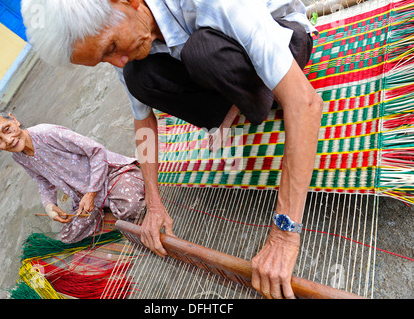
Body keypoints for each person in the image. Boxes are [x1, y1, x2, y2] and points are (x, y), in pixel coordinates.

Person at [21, 0, 324, 299]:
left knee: (203, 51)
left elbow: (306, 103)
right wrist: (154, 203)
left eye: (111, 47)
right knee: (139, 77)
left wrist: (284, 233)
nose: (117, 61)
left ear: (125, 2)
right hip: (220, 61)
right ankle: (237, 104)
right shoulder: (126, 40)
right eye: (104, 59)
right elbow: (143, 121)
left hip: (284, 37)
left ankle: (256, 99)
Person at [0, 107, 145, 244]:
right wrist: (49, 205)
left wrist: (91, 193)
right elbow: (42, 180)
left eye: (7, 129)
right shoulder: (19, 156)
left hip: (111, 175)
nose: (8, 140)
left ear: (14, 120)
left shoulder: (46, 133)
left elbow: (97, 152)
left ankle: (114, 199)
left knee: (133, 208)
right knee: (68, 236)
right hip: (83, 196)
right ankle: (106, 205)